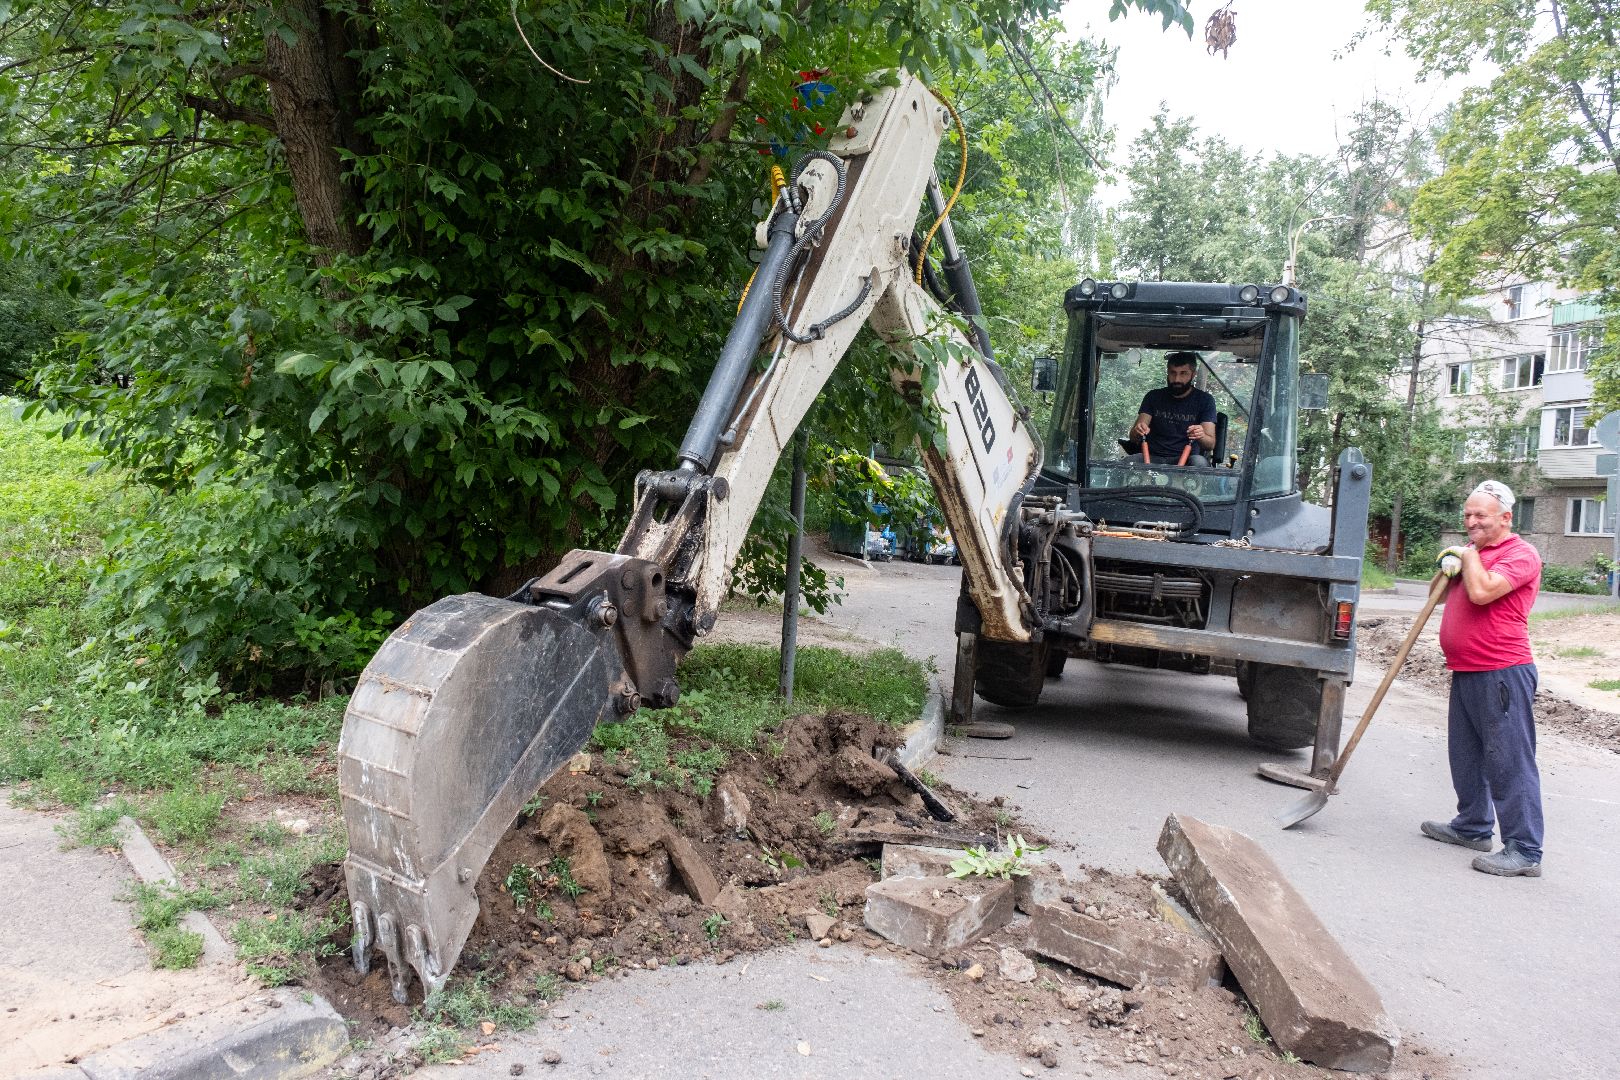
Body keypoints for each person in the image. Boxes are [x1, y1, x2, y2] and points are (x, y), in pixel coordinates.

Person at [1421, 479, 1545, 878]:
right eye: (1468, 515)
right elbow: (1437, 597)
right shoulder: (1472, 554)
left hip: (1503, 672)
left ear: (1506, 518)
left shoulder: (1521, 555)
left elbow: (1483, 593)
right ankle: (1472, 827)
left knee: (1509, 761)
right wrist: (1447, 566)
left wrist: (1468, 556)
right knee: (1467, 755)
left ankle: (1525, 850)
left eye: (1481, 516)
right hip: (1468, 669)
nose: (1471, 522)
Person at [1126, 351, 1217, 464]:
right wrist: (1138, 430)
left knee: (1200, 462)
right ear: (1167, 373)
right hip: (1151, 457)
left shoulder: (1205, 400)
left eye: (1183, 373)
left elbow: (1210, 444)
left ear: (1193, 374)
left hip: (1187, 460)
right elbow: (1133, 437)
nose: (1177, 379)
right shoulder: (1153, 396)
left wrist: (1201, 435)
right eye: (1173, 373)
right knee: (1128, 462)